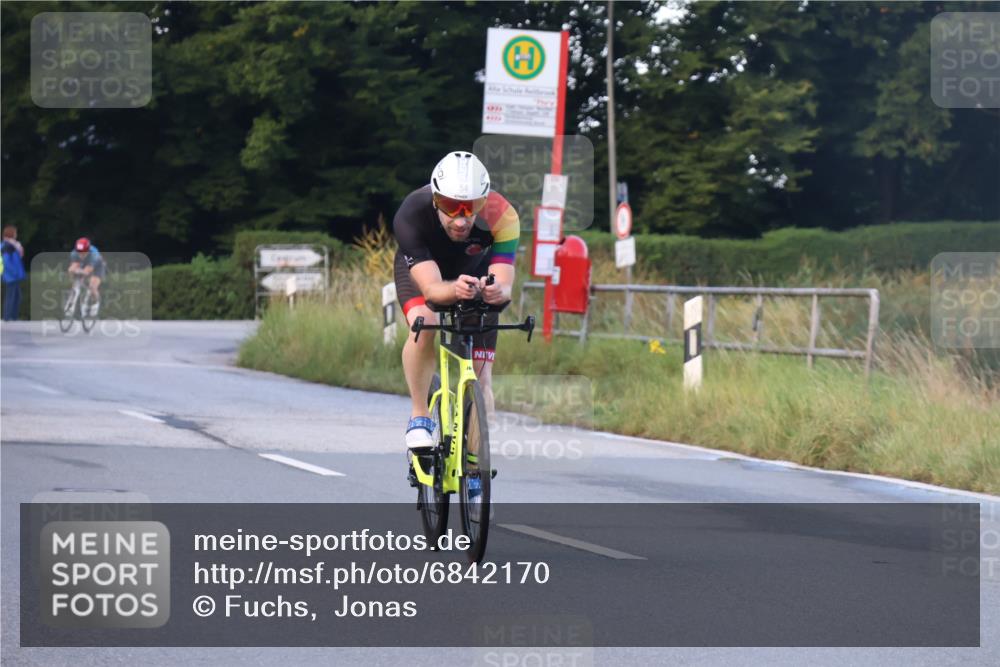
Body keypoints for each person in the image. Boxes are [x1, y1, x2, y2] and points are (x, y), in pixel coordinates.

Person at [392, 151, 520, 471]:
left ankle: (475, 466)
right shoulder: (412, 212)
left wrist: (495, 291)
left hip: (475, 276)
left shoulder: (503, 215)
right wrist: (454, 289)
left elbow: (505, 284)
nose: (462, 220)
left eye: (472, 208)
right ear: (436, 199)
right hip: (422, 274)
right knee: (425, 321)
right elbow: (434, 291)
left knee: (482, 374)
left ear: (484, 201)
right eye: (451, 207)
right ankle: (420, 415)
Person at [68, 237, 105, 317]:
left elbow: (87, 271)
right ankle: (71, 304)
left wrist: (76, 271)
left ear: (88, 250)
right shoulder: (74, 253)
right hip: (84, 264)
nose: (81, 254)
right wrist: (73, 281)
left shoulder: (94, 255)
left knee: (92, 286)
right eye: (79, 252)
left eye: (83, 252)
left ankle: (96, 303)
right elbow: (73, 267)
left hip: (97, 267)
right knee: (75, 283)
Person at [2, 226, 26, 322]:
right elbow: (6, 261)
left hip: (13, 275)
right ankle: (8, 317)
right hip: (11, 275)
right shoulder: (7, 246)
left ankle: (12, 317)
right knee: (11, 296)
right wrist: (15, 272)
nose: (16, 234)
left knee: (16, 296)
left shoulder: (12, 245)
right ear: (11, 234)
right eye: (15, 232)